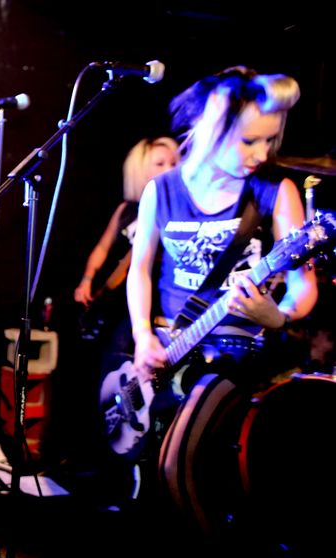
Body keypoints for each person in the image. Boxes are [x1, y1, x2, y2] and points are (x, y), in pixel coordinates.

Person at [126, 67, 317, 529]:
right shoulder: (162, 190)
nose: (261, 154)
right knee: (147, 485)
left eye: (269, 141)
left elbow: (303, 289)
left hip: (236, 357)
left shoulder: (275, 191)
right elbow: (140, 271)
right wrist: (142, 336)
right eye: (249, 140)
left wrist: (275, 315)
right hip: (172, 350)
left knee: (178, 467)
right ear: (213, 128)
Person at [73, 137, 179, 308]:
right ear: (141, 170)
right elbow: (102, 248)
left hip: (151, 300)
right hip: (112, 297)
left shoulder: (178, 212)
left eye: (174, 163)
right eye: (160, 164)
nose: (170, 169)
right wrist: (87, 280)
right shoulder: (126, 210)